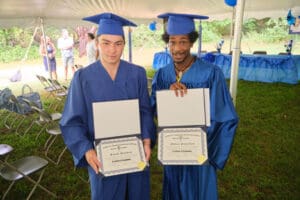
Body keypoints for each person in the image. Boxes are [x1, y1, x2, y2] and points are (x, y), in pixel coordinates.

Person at [59, 12, 155, 200]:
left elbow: (144, 111)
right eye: (106, 43)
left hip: (134, 153)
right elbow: (72, 121)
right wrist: (86, 149)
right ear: (96, 43)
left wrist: (146, 139)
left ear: (124, 45)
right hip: (103, 157)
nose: (112, 50)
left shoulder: (137, 74)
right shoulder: (83, 78)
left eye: (118, 43)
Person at [150, 13, 239, 200]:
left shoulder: (211, 74)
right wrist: (168, 97)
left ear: (191, 42)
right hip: (173, 152)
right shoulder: (162, 75)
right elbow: (153, 111)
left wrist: (206, 150)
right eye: (172, 42)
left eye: (183, 42)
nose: (177, 48)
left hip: (200, 154)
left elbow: (226, 118)